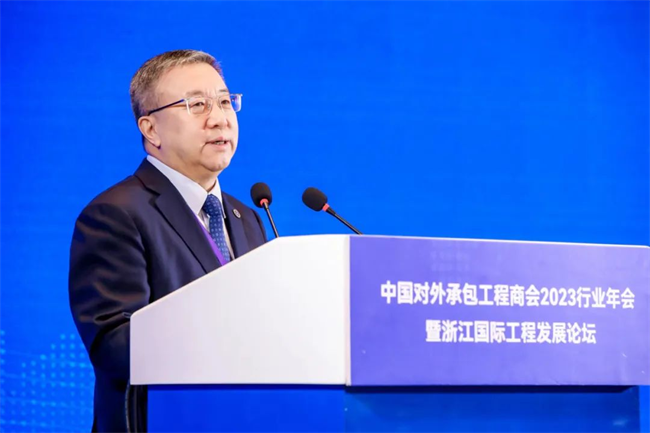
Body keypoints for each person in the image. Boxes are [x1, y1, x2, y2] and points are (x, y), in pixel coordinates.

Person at [68, 49, 267, 433]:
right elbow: (115, 346)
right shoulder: (115, 214)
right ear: (150, 129)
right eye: (197, 104)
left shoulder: (248, 218)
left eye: (225, 102)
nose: (219, 118)